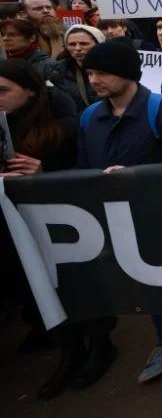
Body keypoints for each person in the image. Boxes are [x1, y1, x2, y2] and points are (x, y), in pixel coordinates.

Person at [77, 41, 162, 389]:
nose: (94, 80)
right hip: (121, 217)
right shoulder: (90, 116)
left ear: (127, 73)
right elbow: (84, 168)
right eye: (89, 73)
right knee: (145, 280)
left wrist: (139, 177)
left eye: (102, 72)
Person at [0, 59, 80, 399]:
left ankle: (82, 349)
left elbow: (87, 173)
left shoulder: (63, 126)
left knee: (68, 284)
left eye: (3, 90)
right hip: (13, 228)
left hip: (62, 227)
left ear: (29, 91)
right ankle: (42, 327)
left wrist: (44, 169)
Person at [51, 24, 105, 110]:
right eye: (72, 44)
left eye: (83, 43)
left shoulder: (114, 70)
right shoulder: (58, 72)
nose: (78, 48)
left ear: (98, 44)